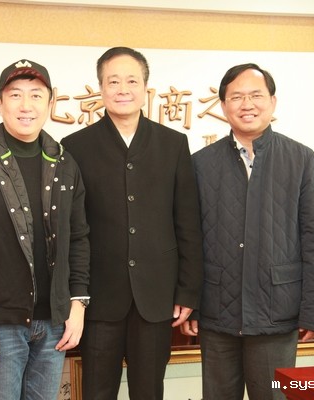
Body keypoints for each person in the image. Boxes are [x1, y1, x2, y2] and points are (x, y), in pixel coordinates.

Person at [183, 63, 314, 400]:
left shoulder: (301, 160)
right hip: (217, 312)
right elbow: (189, 241)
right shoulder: (201, 163)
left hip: (277, 312)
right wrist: (191, 303)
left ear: (272, 102)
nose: (247, 104)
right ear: (224, 106)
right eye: (237, 97)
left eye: (255, 95)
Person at [60, 47, 204, 400]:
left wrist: (188, 292)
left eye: (131, 81)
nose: (122, 89)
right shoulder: (75, 146)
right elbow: (70, 229)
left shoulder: (173, 144)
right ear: (100, 88)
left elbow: (187, 223)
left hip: (156, 296)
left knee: (149, 391)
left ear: (145, 88)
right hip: (98, 297)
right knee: (97, 391)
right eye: (113, 81)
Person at [0, 59, 90, 400]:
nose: (26, 105)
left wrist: (77, 306)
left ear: (50, 103)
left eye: (36, 95)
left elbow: (79, 238)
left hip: (54, 321)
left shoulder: (65, 163)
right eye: (15, 95)